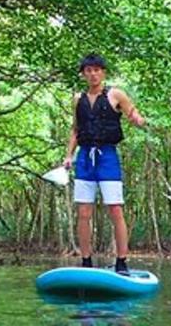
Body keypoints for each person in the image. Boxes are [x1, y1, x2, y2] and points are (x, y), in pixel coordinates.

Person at [63, 53, 146, 273]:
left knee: (115, 209)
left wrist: (137, 119)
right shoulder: (78, 99)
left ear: (103, 72)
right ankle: (86, 261)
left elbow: (132, 111)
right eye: (88, 70)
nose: (93, 74)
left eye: (96, 70)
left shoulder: (115, 94)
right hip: (84, 158)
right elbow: (75, 129)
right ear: (83, 74)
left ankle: (122, 261)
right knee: (83, 212)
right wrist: (69, 155)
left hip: (107, 156)